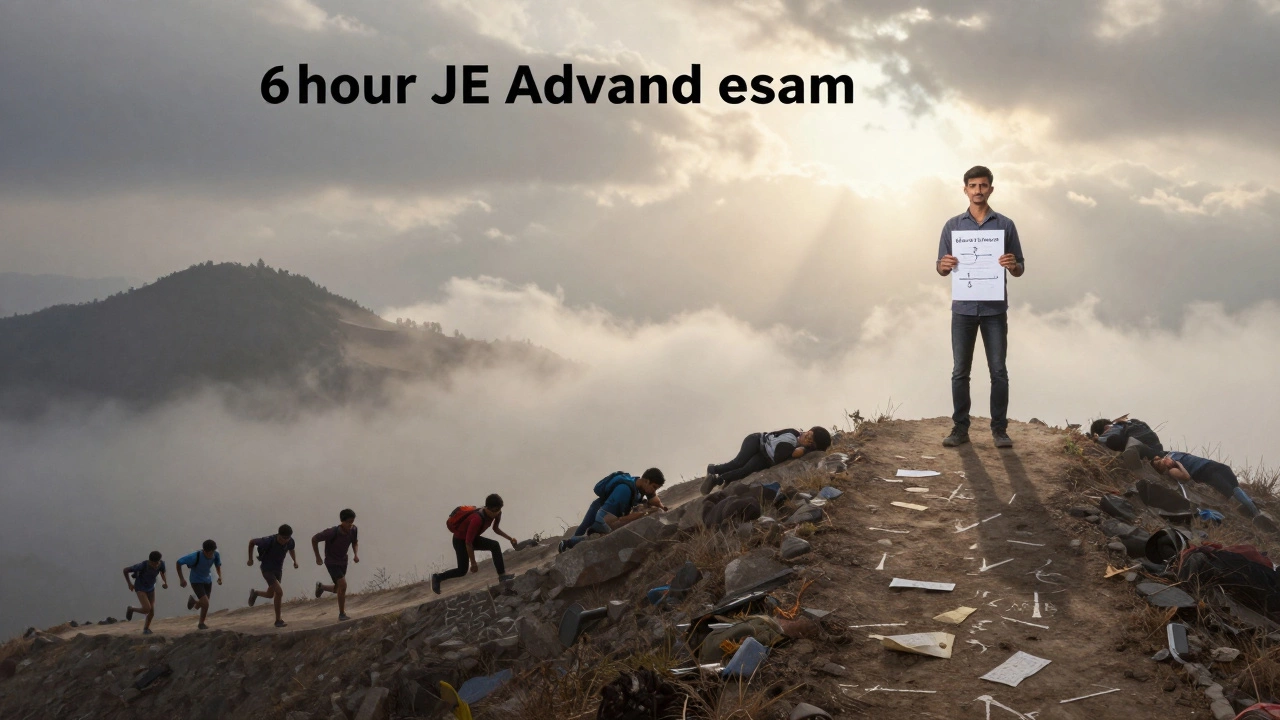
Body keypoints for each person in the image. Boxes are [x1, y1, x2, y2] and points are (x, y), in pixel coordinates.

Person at [936, 165, 1025, 449]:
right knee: (960, 371)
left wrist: (1013, 265)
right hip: (963, 309)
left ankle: (999, 429)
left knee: (998, 370)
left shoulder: (1005, 225)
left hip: (994, 310)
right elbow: (940, 267)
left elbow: (1020, 267)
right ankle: (960, 428)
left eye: (983, 186)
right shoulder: (952, 226)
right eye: (973, 186)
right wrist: (944, 265)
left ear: (991, 189)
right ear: (965, 189)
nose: (978, 191)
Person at [559, 469, 667, 553]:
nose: (654, 491)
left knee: (586, 530)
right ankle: (567, 545)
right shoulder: (624, 491)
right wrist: (642, 514)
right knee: (592, 534)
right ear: (646, 481)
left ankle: (569, 544)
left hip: (608, 508)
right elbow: (608, 519)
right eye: (654, 487)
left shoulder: (641, 486)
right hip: (601, 511)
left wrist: (662, 507)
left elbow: (654, 500)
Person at [431, 494, 517, 594]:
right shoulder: (477, 520)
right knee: (462, 570)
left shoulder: (497, 513)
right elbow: (468, 543)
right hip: (460, 541)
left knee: (495, 545)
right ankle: (438, 577)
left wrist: (509, 538)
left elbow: (495, 528)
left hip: (471, 538)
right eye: (495, 510)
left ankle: (502, 576)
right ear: (487, 508)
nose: (497, 512)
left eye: (499, 509)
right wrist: (473, 563)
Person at [701, 427, 831, 494]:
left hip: (764, 456)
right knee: (739, 462)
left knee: (744, 470)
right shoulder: (792, 435)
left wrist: (801, 451)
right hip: (757, 441)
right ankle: (713, 469)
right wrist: (797, 452)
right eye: (810, 434)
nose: (807, 438)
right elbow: (779, 454)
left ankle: (717, 480)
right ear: (810, 430)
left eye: (811, 442)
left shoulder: (800, 447)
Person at [1151, 453, 1260, 517]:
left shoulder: (1172, 453)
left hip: (1211, 464)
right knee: (1229, 491)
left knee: (1234, 485)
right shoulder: (1173, 470)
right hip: (1206, 472)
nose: (1165, 461)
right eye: (1162, 464)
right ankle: (1253, 513)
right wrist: (1178, 464)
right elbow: (1186, 477)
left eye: (1162, 459)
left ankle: (1253, 509)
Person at [313, 509, 360, 621]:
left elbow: (354, 542)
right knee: (343, 585)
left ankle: (322, 587)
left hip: (343, 561)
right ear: (342, 521)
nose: (350, 524)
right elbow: (314, 539)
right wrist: (318, 557)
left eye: (352, 522)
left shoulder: (353, 529)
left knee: (338, 588)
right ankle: (342, 614)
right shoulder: (331, 532)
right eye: (348, 522)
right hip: (331, 562)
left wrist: (356, 554)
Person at [247, 524, 298, 628]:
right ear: (279, 535)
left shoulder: (290, 541)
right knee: (279, 592)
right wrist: (250, 559)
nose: (285, 540)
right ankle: (278, 620)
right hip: (267, 569)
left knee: (271, 594)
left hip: (278, 570)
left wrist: (294, 561)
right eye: (283, 538)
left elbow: (291, 549)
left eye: (287, 538)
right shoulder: (268, 541)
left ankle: (255, 593)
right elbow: (252, 542)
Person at [176, 540, 222, 630]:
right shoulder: (195, 556)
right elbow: (179, 562)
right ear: (204, 551)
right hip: (196, 580)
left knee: (204, 603)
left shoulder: (215, 554)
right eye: (209, 553)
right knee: (206, 603)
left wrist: (219, 577)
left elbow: (217, 565)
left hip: (208, 580)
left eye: (213, 552)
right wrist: (181, 579)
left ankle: (194, 602)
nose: (211, 555)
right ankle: (201, 623)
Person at [123, 551, 168, 635]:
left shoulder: (161, 564)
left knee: (152, 612)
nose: (156, 565)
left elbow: (162, 572)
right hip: (140, 588)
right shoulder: (143, 565)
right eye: (154, 563)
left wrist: (164, 582)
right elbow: (125, 570)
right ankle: (131, 609)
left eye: (157, 562)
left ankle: (146, 629)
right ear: (150, 561)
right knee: (146, 609)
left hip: (151, 588)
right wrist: (129, 583)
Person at [1090, 415, 1164, 453]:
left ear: (1106, 428)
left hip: (1142, 446)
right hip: (1158, 448)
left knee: (1112, 440)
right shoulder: (1132, 422)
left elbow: (1101, 440)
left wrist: (1096, 438)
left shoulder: (1113, 428)